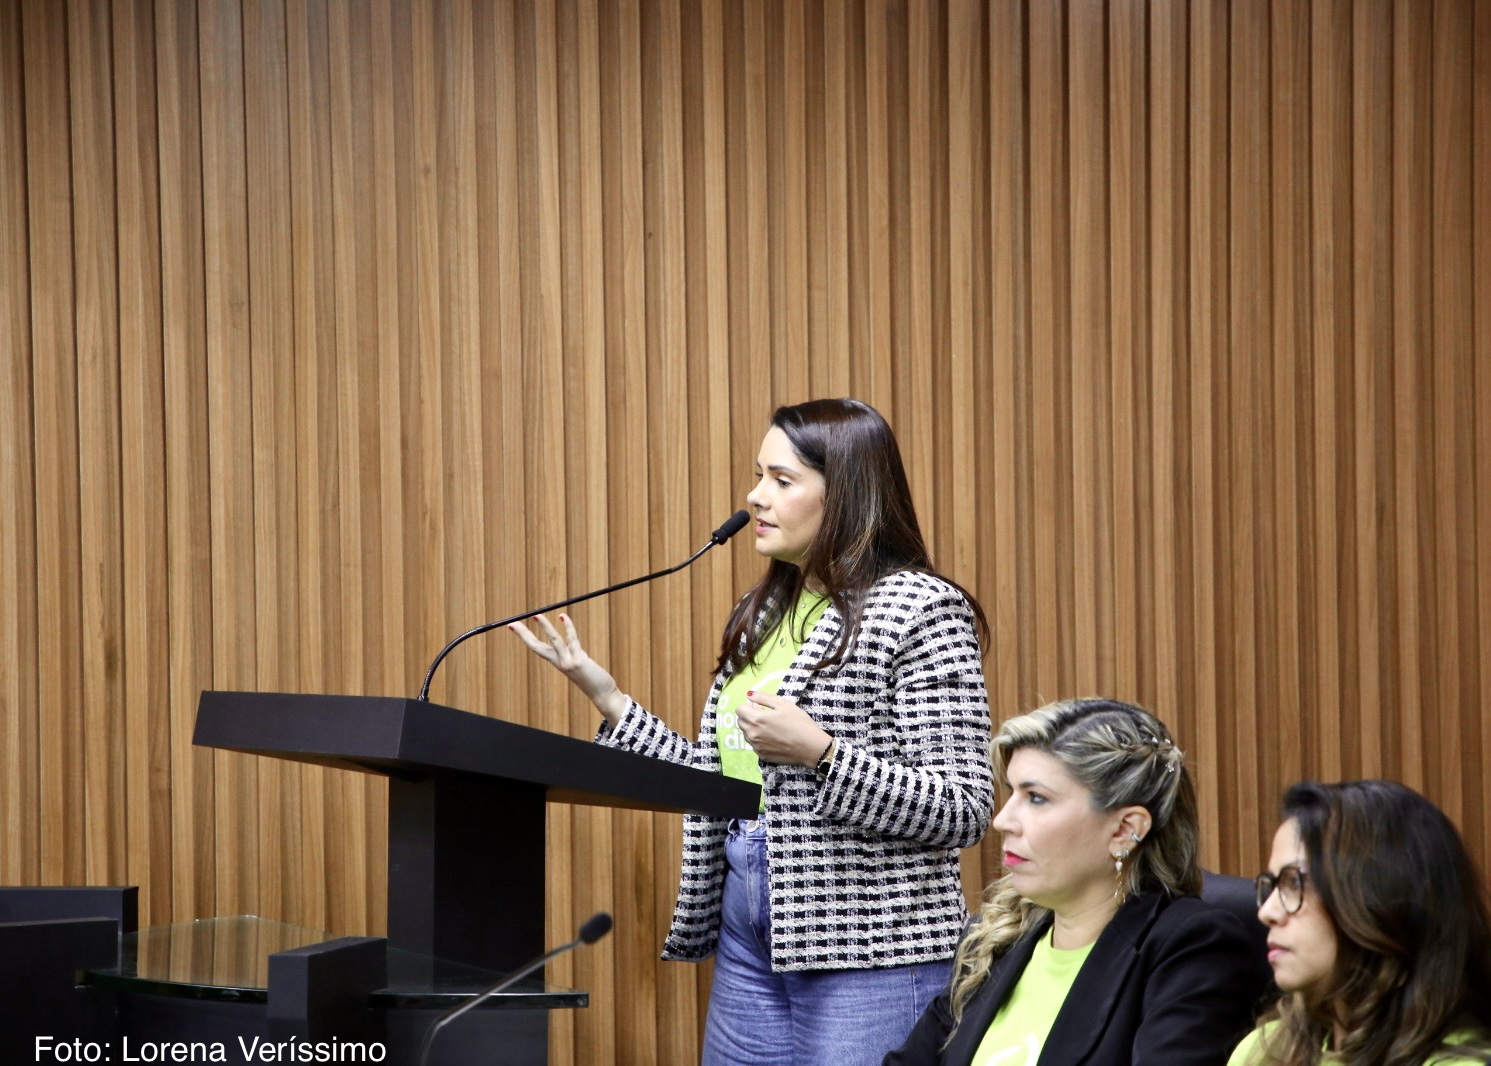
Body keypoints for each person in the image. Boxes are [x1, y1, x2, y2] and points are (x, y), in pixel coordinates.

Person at [511, 398, 994, 1065]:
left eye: (781, 479)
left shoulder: (922, 608)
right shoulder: (764, 611)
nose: (755, 496)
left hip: (872, 949)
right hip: (749, 929)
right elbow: (725, 783)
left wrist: (822, 754)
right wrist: (608, 698)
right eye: (758, 476)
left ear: (845, 495)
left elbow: (963, 808)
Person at [885, 697, 1262, 1065]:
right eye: (1012, 793)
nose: (1002, 821)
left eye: (1036, 798)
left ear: (1124, 830)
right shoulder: (994, 937)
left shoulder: (1192, 948)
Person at [1228, 780, 1491, 1065]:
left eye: (1295, 882)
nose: (1267, 912)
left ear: (1380, 897)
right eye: (1274, 885)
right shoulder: (1263, 1052)